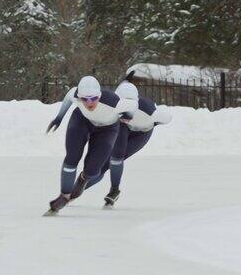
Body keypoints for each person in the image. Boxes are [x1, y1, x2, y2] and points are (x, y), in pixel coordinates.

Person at [44, 76, 137, 215]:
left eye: (93, 98)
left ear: (99, 95)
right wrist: (59, 117)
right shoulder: (76, 94)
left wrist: (128, 115)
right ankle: (64, 196)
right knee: (72, 157)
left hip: (107, 129)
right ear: (80, 97)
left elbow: (132, 106)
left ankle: (83, 179)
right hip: (82, 121)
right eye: (85, 99)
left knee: (93, 171)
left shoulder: (114, 101)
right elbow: (69, 96)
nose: (89, 103)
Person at [73, 81, 172, 207]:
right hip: (123, 127)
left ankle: (114, 189)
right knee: (102, 165)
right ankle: (74, 191)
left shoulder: (147, 111)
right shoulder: (111, 105)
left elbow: (167, 117)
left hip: (141, 134)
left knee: (115, 158)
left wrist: (156, 120)